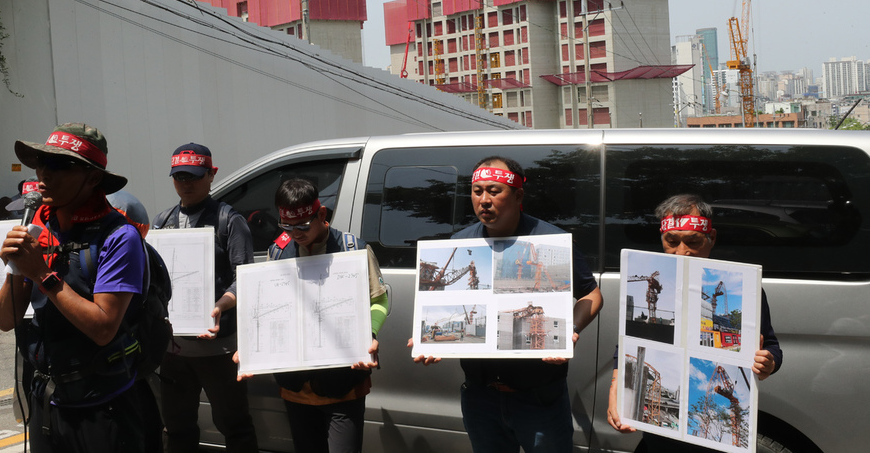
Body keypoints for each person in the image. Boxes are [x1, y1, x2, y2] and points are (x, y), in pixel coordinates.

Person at [411, 156, 604, 453]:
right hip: (480, 397)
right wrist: (428, 342)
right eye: (477, 192)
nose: (484, 200)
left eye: (494, 190)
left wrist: (571, 329)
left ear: (518, 195)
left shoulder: (551, 240)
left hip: (539, 398)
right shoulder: (461, 242)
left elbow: (592, 296)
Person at [0, 123, 161, 453]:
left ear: (93, 178)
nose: (44, 175)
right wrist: (16, 268)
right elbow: (4, 320)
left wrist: (41, 273)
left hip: (102, 405)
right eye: (41, 163)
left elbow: (103, 328)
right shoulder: (39, 227)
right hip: (46, 401)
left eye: (59, 165)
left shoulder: (119, 237)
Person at [606, 193, 783, 452]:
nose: (682, 251)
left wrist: (769, 362)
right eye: (672, 241)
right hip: (659, 439)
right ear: (662, 239)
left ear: (712, 239)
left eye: (693, 241)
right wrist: (615, 389)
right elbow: (628, 343)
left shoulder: (748, 290)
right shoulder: (663, 290)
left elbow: (771, 345)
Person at [241, 177, 388, 453]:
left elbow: (379, 299)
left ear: (321, 214)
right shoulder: (278, 252)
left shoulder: (352, 249)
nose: (296, 233)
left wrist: (370, 333)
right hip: (296, 387)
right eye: (288, 226)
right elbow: (268, 309)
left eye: (303, 226)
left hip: (343, 386)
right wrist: (250, 348)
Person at [150, 143, 259, 453]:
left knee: (234, 426)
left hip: (218, 350)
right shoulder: (162, 222)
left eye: (194, 177)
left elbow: (244, 278)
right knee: (178, 428)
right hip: (174, 351)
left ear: (212, 175)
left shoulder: (229, 220)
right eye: (179, 177)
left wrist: (221, 305)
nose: (186, 184)